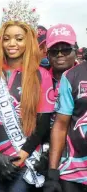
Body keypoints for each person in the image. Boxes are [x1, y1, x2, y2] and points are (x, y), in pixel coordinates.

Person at [0, 2, 54, 191]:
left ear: (28, 41)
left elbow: (43, 122)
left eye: (19, 38)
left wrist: (22, 155)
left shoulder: (41, 75)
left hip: (25, 160)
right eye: (6, 39)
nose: (12, 44)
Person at [44, 24, 87, 192]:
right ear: (47, 53)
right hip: (69, 169)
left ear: (75, 49)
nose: (60, 55)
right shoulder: (39, 79)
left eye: (65, 50)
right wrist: (52, 172)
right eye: (54, 51)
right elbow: (60, 126)